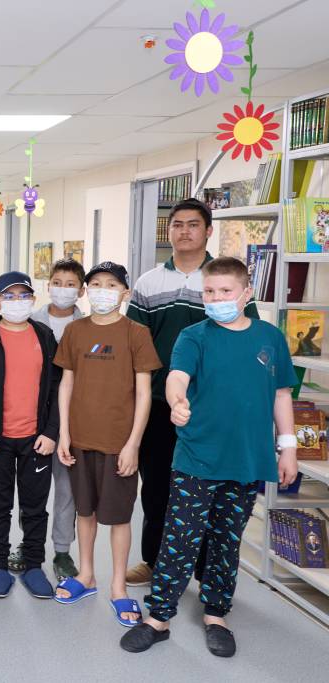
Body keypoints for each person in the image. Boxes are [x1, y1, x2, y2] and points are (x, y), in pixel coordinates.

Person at [121, 256, 298, 657]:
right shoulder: (194, 336)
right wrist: (177, 401)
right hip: (197, 457)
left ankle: (216, 613)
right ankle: (158, 617)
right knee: (179, 539)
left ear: (246, 293)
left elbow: (281, 394)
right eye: (209, 292)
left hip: (247, 460)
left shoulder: (270, 338)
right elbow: (176, 377)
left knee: (226, 541)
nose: (216, 298)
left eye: (225, 291)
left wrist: (288, 448)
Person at [126, 198, 258, 587]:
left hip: (213, 408)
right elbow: (135, 345)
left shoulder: (224, 280)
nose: (184, 231)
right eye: (177, 224)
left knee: (210, 490)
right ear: (169, 231)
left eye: (193, 224)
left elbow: (247, 339)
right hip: (159, 404)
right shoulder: (149, 282)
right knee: (157, 487)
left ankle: (204, 570)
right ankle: (153, 561)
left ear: (208, 231)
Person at [53, 262, 161, 627]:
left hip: (118, 442)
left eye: (111, 285)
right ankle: (86, 575)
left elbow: (144, 394)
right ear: (86, 291)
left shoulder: (136, 333)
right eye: (96, 284)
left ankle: (118, 587)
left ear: (125, 293)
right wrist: (64, 433)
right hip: (80, 439)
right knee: (85, 512)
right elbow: (66, 383)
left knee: (118, 517)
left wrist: (133, 444)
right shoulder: (75, 330)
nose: (103, 290)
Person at [0, 271, 59, 598]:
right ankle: (0, 566)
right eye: (9, 296)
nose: (17, 302)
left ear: (33, 299)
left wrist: (51, 432)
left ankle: (33, 566)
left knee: (35, 507)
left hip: (37, 440)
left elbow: (57, 388)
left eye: (23, 295)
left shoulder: (44, 336)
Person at [11, 259, 86, 580]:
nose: (63, 289)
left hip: (73, 421)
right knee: (31, 489)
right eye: (57, 282)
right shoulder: (30, 320)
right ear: (48, 285)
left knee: (67, 489)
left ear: (81, 291)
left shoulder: (87, 326)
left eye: (71, 284)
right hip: (34, 420)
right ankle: (28, 545)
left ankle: (62, 552)